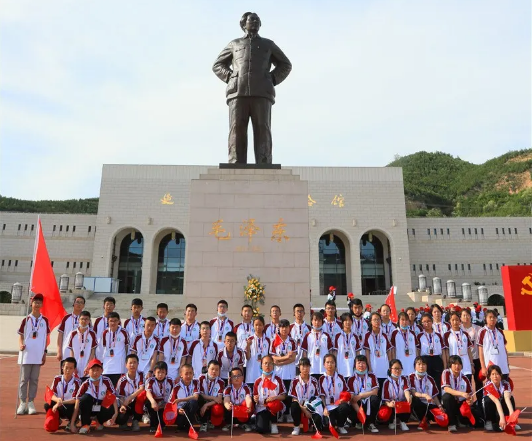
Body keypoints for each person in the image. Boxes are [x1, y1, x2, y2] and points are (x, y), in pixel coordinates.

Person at [212, 11, 292, 165]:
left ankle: (264, 162)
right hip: (238, 92)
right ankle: (235, 161)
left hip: (262, 92)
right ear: (244, 24)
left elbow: (285, 64)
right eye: (251, 20)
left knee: (263, 128)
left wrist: (272, 78)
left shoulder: (268, 45)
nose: (255, 22)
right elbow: (217, 65)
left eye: (257, 20)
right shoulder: (234, 44)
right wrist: (230, 77)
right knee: (237, 128)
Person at [17, 293, 50, 415]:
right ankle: (22, 403)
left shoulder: (44, 320)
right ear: (31, 304)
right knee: (23, 379)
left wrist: (44, 353)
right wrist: (21, 345)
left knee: (34, 380)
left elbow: (45, 338)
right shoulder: (26, 319)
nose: (37, 304)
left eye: (39, 302)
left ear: (42, 305)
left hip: (37, 355)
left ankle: (31, 402)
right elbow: (21, 335)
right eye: (35, 302)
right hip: (26, 354)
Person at [70, 359, 118, 434]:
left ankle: (99, 422)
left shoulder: (106, 380)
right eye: (93, 370)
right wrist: (72, 424)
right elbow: (77, 402)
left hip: (101, 407)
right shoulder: (85, 384)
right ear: (88, 371)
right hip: (90, 409)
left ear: (102, 370)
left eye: (98, 370)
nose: (95, 373)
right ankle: (85, 424)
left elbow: (113, 397)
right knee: (84, 399)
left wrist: (116, 413)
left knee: (111, 406)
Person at [271, 319, 297, 422]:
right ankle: (281, 413)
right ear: (279, 329)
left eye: (286, 327)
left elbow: (293, 358)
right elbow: (273, 358)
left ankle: (288, 414)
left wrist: (280, 361)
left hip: (289, 372)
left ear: (289, 328)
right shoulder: (274, 341)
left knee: (289, 393)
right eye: (282, 327)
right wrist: (286, 357)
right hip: (278, 373)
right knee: (280, 393)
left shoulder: (292, 341)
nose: (284, 329)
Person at [44, 357, 81, 431]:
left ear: (74, 369)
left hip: (68, 405)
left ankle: (73, 421)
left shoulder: (77, 382)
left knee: (74, 406)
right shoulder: (57, 379)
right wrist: (58, 400)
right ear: (62, 367)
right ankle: (57, 419)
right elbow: (51, 394)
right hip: (59, 404)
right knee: (47, 405)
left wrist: (61, 402)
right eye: (66, 367)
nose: (68, 370)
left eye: (71, 368)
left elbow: (75, 400)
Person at [288, 357, 323, 435]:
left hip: (310, 407)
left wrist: (309, 409)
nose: (305, 368)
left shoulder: (314, 381)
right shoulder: (294, 381)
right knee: (294, 405)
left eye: (307, 366)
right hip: (299, 406)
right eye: (303, 366)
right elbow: (294, 399)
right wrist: (304, 409)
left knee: (318, 421)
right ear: (299, 367)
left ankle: (311, 424)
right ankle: (296, 426)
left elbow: (316, 398)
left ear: (310, 367)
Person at [441, 355, 475, 432]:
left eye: (459, 364)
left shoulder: (465, 378)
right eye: (455, 364)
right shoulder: (446, 373)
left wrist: (470, 401)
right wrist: (461, 394)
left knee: (473, 413)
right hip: (449, 403)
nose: (457, 366)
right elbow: (446, 389)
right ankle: (451, 424)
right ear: (450, 365)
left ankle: (460, 420)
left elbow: (470, 395)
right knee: (447, 397)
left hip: (460, 403)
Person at [253, 355, 287, 434]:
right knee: (261, 430)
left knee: (274, 405)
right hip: (262, 407)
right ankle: (262, 421)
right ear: (261, 365)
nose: (267, 365)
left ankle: (274, 424)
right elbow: (255, 397)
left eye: (270, 363)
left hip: (274, 406)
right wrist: (256, 399)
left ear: (273, 365)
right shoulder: (258, 381)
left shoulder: (278, 379)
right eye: (265, 363)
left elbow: (283, 396)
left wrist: (275, 398)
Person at [347, 354, 380, 433]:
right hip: (357, 405)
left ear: (367, 364)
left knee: (375, 399)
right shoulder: (351, 379)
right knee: (352, 402)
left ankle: (371, 423)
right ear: (355, 365)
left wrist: (361, 395)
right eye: (359, 363)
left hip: (368, 402)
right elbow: (352, 399)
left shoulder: (372, 376)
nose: (361, 365)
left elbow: (375, 392)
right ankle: (358, 421)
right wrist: (361, 414)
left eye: (363, 363)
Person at [318, 354, 350, 435]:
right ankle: (329, 422)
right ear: (324, 364)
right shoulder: (321, 379)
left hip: (339, 405)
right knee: (328, 424)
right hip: (328, 407)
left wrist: (342, 400)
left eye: (332, 362)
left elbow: (346, 392)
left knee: (345, 407)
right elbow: (322, 396)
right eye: (327, 362)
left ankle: (340, 426)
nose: (330, 364)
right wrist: (325, 408)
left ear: (335, 364)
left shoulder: (340, 377)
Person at [482, 364, 520, 432]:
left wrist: (512, 415)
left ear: (500, 375)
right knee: (487, 401)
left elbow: (507, 398)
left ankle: (512, 422)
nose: (495, 376)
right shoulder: (487, 385)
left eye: (497, 374)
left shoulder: (505, 384)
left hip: (501, 404)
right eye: (493, 374)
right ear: (489, 376)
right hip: (493, 406)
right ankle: (489, 421)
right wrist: (502, 418)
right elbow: (496, 401)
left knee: (511, 398)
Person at [416, 313, 447, 394]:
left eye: (429, 321)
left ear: (432, 321)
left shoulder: (438, 335)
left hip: (437, 360)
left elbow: (443, 351)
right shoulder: (419, 336)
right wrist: (418, 364)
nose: (427, 323)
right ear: (421, 323)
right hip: (425, 360)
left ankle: (438, 399)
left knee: (437, 382)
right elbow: (418, 351)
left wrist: (445, 365)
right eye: (424, 322)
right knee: (426, 381)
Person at [408, 356, 442, 428]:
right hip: (419, 404)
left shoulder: (430, 379)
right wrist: (425, 395)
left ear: (426, 366)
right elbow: (413, 393)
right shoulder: (411, 377)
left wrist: (440, 406)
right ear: (415, 366)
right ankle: (422, 420)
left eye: (423, 364)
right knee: (415, 400)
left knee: (442, 418)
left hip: (429, 405)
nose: (421, 366)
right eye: (419, 364)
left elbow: (434, 396)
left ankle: (427, 419)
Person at [363, 312, 393, 392]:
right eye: (374, 320)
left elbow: (388, 351)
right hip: (373, 366)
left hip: (384, 366)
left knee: (383, 390)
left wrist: (390, 365)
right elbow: (367, 352)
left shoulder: (384, 335)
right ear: (371, 322)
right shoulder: (367, 335)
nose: (377, 321)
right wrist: (369, 366)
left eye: (378, 319)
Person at [115, 354, 144, 432]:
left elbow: (142, 389)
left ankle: (135, 421)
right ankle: (123, 422)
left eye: (134, 362)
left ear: (138, 364)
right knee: (121, 417)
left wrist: (130, 397)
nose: (132, 365)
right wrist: (123, 406)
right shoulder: (122, 380)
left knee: (142, 396)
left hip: (136, 402)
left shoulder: (141, 375)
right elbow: (119, 396)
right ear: (126, 365)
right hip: (125, 403)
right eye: (130, 363)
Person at [381, 359, 412, 431]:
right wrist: (389, 404)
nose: (397, 371)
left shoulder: (404, 379)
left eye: (399, 369)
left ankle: (403, 421)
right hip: (392, 405)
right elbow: (385, 399)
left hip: (401, 404)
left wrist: (408, 397)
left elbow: (406, 390)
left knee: (410, 400)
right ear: (390, 369)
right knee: (384, 412)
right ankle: (392, 421)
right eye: (395, 369)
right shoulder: (386, 382)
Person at [478, 309, 510, 380]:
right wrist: (483, 367)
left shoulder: (500, 331)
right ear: (485, 318)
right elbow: (480, 351)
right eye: (490, 317)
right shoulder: (482, 332)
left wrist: (507, 363)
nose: (492, 319)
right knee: (492, 386)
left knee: (504, 385)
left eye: (494, 317)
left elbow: (504, 349)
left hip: (503, 366)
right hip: (491, 366)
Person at [301, 311, 334, 379]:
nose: (317, 322)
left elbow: (330, 351)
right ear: (312, 321)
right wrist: (305, 365)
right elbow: (304, 352)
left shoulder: (326, 335)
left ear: (322, 322)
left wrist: (330, 364)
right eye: (315, 320)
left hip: (324, 368)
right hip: (312, 368)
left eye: (319, 320)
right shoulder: (308, 335)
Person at [100, 312, 129, 386]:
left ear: (119, 321)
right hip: (107, 366)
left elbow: (127, 347)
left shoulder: (124, 332)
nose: (113, 323)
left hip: (120, 366)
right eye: (111, 321)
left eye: (115, 321)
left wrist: (125, 360)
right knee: (108, 388)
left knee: (119, 387)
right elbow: (103, 348)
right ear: (108, 321)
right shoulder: (105, 333)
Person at [461, 308, 483, 404]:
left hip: (476, 358)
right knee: (467, 382)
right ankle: (468, 403)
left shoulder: (478, 328)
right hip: (465, 360)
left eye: (467, 315)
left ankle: (480, 401)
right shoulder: (459, 329)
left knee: (479, 381)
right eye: (464, 315)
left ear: (471, 316)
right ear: (461, 317)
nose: (466, 317)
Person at [67, 310, 97, 381]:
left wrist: (89, 365)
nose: (84, 321)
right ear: (79, 320)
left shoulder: (92, 334)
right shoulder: (73, 333)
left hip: (87, 366)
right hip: (76, 366)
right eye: (82, 319)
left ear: (89, 321)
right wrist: (73, 365)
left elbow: (93, 351)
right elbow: (71, 350)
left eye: (86, 319)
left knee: (86, 384)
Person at [169, 364, 200, 432]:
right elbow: (171, 403)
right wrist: (178, 410)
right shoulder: (176, 387)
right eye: (186, 374)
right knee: (180, 424)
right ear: (181, 374)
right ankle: (181, 425)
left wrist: (180, 400)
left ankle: (189, 425)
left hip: (190, 408)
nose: (188, 376)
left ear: (193, 374)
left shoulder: (195, 382)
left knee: (193, 403)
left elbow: (195, 397)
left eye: (190, 373)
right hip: (181, 410)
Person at [145, 361, 174, 433]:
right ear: (154, 372)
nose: (160, 374)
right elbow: (148, 392)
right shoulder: (150, 381)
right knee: (149, 404)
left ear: (166, 373)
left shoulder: (170, 381)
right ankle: (152, 426)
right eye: (158, 372)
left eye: (163, 372)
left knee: (162, 423)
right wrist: (153, 402)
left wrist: (166, 404)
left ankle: (161, 423)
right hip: (154, 402)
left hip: (164, 403)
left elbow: (173, 394)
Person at [444, 312, 474, 380]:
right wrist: (448, 365)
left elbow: (469, 350)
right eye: (453, 320)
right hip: (454, 366)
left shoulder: (465, 334)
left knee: (467, 383)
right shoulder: (447, 335)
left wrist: (471, 364)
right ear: (449, 321)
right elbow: (446, 352)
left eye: (457, 320)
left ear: (460, 320)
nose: (455, 322)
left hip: (466, 365)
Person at [197, 360, 226, 432]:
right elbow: (201, 394)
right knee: (198, 398)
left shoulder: (221, 382)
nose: (214, 371)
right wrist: (213, 398)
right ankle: (203, 422)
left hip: (212, 403)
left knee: (218, 407)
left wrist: (207, 405)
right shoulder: (201, 378)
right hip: (203, 400)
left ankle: (211, 421)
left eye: (217, 370)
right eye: (212, 369)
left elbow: (219, 399)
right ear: (207, 368)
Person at [223, 367, 253, 432]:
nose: (236, 378)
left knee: (247, 404)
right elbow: (226, 399)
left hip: (242, 408)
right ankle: (229, 423)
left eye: (238, 376)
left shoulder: (246, 388)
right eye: (234, 376)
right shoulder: (228, 388)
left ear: (243, 377)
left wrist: (249, 406)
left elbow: (248, 398)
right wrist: (227, 405)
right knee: (226, 405)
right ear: (231, 378)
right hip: (233, 409)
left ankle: (245, 423)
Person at [57, 295, 85, 363]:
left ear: (83, 306)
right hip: (66, 351)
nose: (79, 304)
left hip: (80, 353)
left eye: (81, 302)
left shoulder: (86, 319)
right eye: (77, 302)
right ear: (73, 304)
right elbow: (60, 335)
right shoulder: (66, 318)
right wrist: (59, 351)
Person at [244, 316, 272, 386]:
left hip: (264, 373)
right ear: (253, 326)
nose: (258, 327)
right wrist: (248, 346)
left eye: (260, 325)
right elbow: (247, 357)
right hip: (251, 373)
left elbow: (270, 357)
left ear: (263, 326)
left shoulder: (268, 340)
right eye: (256, 325)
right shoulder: (249, 339)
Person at [390, 312, 418, 376]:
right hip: (400, 361)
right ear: (399, 321)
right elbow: (393, 349)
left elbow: (416, 349)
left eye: (406, 320)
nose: (404, 322)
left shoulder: (412, 333)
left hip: (411, 362)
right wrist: (393, 362)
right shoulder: (395, 333)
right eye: (402, 320)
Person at [334, 312, 360, 378]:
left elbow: (357, 352)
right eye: (345, 320)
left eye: (349, 320)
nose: (348, 322)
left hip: (352, 366)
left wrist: (357, 364)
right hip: (341, 365)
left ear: (352, 322)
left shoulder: (355, 336)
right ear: (342, 323)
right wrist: (335, 365)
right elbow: (335, 352)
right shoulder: (338, 336)